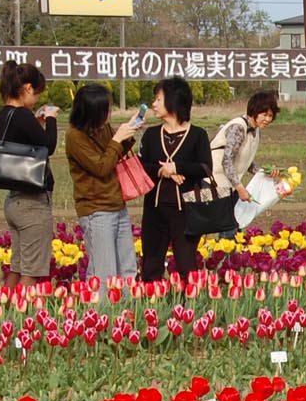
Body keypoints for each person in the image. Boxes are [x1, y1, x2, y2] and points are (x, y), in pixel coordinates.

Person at [137, 76, 213, 283]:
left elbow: (205, 168)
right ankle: (151, 305)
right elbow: (141, 166)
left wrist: (178, 167)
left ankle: (191, 307)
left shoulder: (197, 135)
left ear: (174, 101)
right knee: (151, 264)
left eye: (158, 100)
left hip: (186, 211)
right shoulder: (151, 135)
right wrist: (163, 171)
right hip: (155, 209)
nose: (153, 104)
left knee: (187, 263)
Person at [66, 82, 142, 280]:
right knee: (105, 272)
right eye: (105, 110)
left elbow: (113, 156)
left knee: (128, 268)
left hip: (117, 204)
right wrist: (117, 140)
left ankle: (129, 309)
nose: (109, 114)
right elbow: (101, 167)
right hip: (96, 209)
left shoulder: (102, 127)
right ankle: (102, 311)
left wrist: (128, 135)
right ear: (91, 112)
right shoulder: (75, 136)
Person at [0, 60, 58, 290]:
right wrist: (50, 119)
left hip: (14, 199)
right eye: (37, 94)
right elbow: (48, 146)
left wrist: (36, 123)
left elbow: (25, 142)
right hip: (32, 203)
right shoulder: (22, 115)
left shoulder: (2, 116)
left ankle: (3, 313)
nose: (36, 99)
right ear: (28, 88)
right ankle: (25, 319)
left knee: (17, 267)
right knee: (32, 272)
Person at [211, 90, 280, 232]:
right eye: (264, 114)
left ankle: (228, 253)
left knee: (233, 225)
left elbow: (247, 160)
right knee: (229, 226)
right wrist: (240, 188)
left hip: (229, 184)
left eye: (271, 116)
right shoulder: (238, 127)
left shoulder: (255, 130)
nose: (267, 119)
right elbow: (227, 161)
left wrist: (264, 172)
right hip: (214, 181)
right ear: (254, 112)